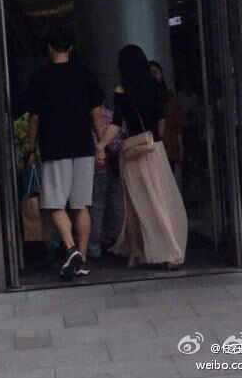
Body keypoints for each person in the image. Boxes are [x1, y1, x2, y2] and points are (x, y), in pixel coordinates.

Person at [96, 44, 188, 269]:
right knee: (160, 202)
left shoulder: (122, 91)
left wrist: (101, 145)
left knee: (135, 206)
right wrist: (156, 140)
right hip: (154, 150)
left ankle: (136, 252)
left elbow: (117, 124)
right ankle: (170, 250)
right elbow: (161, 123)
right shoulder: (155, 86)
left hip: (132, 152)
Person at [25, 28, 105, 279]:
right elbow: (97, 113)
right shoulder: (85, 74)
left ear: (50, 48)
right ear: (70, 48)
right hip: (83, 146)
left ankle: (71, 249)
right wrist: (101, 144)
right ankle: (82, 258)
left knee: (54, 204)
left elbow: (34, 118)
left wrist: (30, 147)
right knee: (81, 205)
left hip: (54, 147)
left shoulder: (40, 77)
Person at [87, 105, 124, 259]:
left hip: (98, 162)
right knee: (117, 202)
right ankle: (118, 241)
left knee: (97, 204)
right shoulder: (112, 114)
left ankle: (94, 247)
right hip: (115, 160)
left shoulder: (89, 117)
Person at [149, 60, 185, 173]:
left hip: (169, 149)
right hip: (151, 151)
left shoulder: (170, 98)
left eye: (155, 73)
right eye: (150, 74)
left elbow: (178, 127)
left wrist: (180, 148)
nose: (153, 77)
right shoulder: (145, 100)